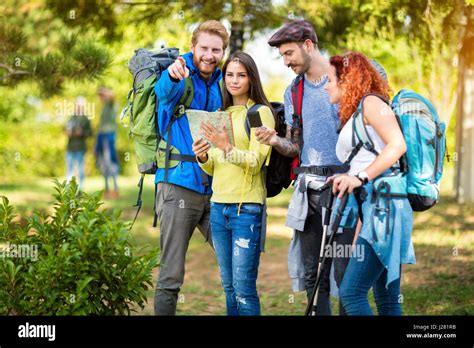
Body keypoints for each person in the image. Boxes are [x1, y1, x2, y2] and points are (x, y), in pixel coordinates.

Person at [256, 20, 356, 315]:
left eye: (289, 54)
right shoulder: (294, 92)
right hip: (309, 191)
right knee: (314, 275)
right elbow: (295, 146)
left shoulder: (347, 79)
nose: (285, 61)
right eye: (283, 56)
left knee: (345, 274)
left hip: (345, 190)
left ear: (308, 45)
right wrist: (274, 140)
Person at [325, 51, 416, 315]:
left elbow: (397, 145)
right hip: (377, 210)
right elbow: (369, 184)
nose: (327, 85)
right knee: (387, 299)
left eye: (331, 79)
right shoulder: (359, 112)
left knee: (351, 294)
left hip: (386, 212)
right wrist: (358, 235)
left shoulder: (372, 104)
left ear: (346, 79)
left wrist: (358, 176)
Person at [153, 20, 229, 316]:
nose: (209, 55)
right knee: (171, 276)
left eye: (216, 49)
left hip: (214, 189)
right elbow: (163, 92)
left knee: (236, 264)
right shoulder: (179, 73)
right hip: (177, 187)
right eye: (204, 48)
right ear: (193, 47)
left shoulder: (222, 80)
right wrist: (172, 75)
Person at [192, 51, 275, 315]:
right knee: (228, 287)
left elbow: (255, 161)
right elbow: (214, 165)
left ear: (252, 78)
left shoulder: (258, 113)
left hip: (246, 209)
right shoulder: (221, 113)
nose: (234, 80)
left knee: (244, 289)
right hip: (218, 208)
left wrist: (226, 146)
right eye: (230, 75)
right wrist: (203, 155)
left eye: (241, 75)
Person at [95, 86, 119, 199]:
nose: (101, 97)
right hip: (101, 136)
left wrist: (104, 91)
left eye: (102, 95)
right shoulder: (104, 106)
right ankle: (107, 189)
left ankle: (115, 189)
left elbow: (112, 96)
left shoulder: (111, 104)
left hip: (109, 135)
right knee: (103, 162)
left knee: (110, 161)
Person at [65, 96, 92, 190]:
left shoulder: (85, 119)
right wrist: (68, 132)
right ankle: (68, 190)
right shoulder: (71, 118)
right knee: (69, 170)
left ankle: (81, 189)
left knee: (80, 170)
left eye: (80, 105)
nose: (78, 107)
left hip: (80, 147)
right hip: (70, 147)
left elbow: (90, 133)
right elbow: (66, 129)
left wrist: (82, 133)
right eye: (77, 105)